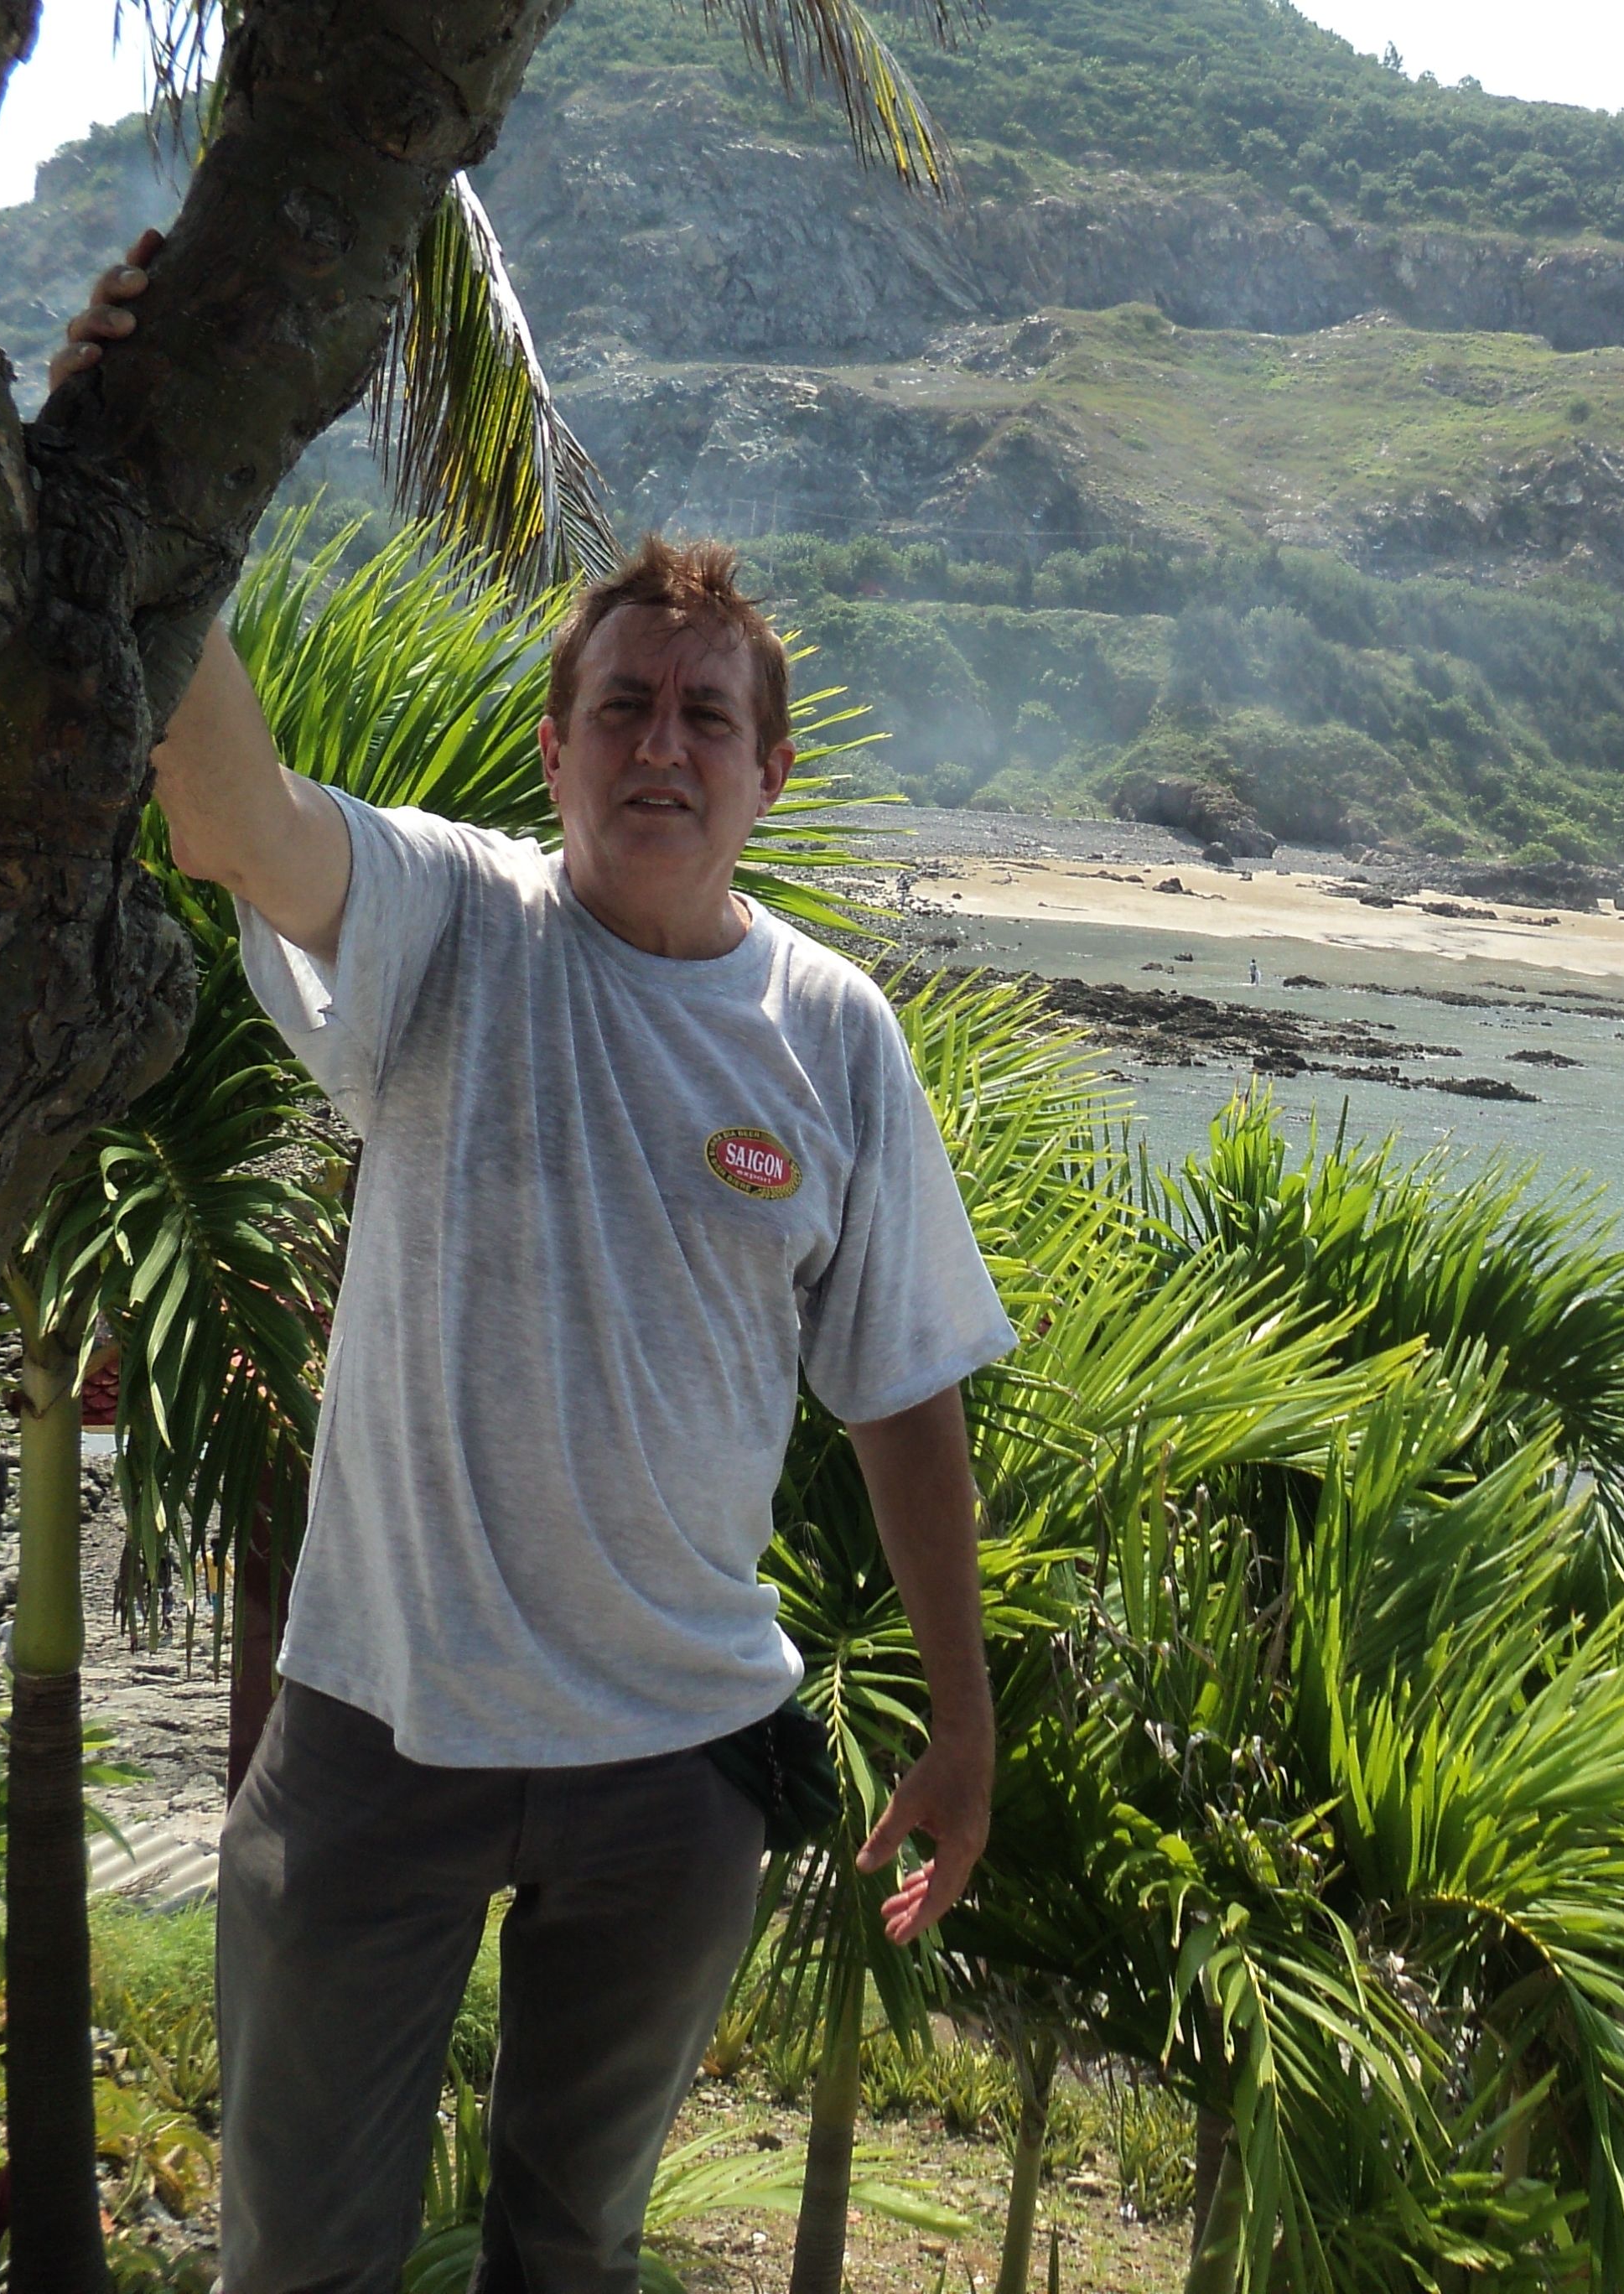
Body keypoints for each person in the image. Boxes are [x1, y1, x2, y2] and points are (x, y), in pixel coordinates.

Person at [63, 254, 1014, 2294]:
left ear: (762, 771)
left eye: (703, 713)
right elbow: (229, 812)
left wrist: (961, 1715)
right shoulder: (449, 922)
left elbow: (902, 1386)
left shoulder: (834, 1029)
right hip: (379, 1735)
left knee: (570, 2244)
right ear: (559, 747)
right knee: (297, 2253)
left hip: (674, 1766)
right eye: (621, 706)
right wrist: (164, 485)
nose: (660, 740)